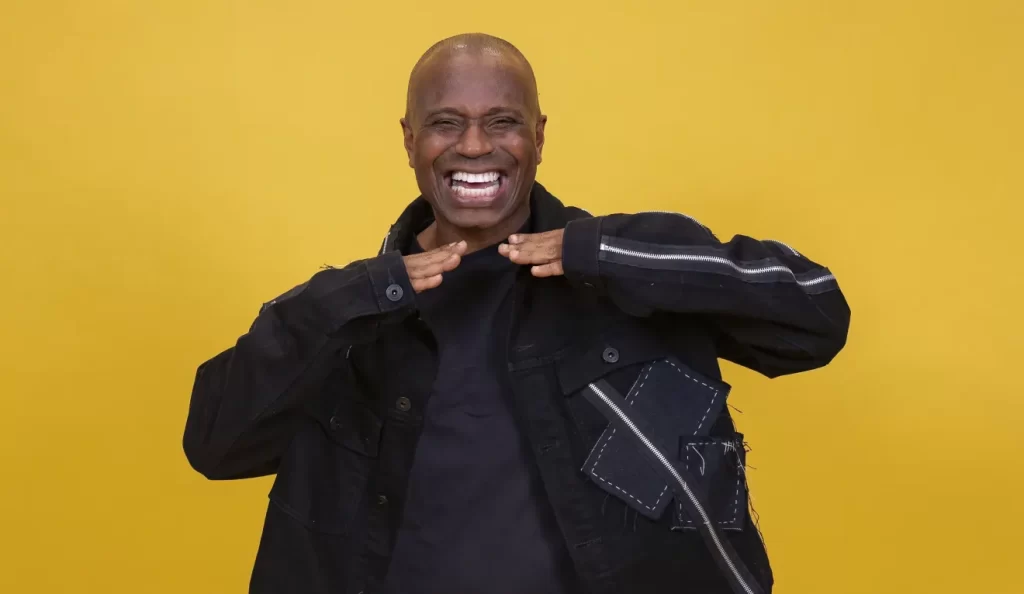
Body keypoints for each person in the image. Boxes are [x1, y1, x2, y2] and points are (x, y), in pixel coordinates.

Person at [183, 33, 850, 594]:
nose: (475, 146)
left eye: (502, 122)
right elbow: (214, 444)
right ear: (410, 140)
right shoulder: (349, 315)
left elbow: (816, 318)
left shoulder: (625, 268)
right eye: (446, 123)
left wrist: (603, 254)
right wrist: (358, 295)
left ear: (538, 135)